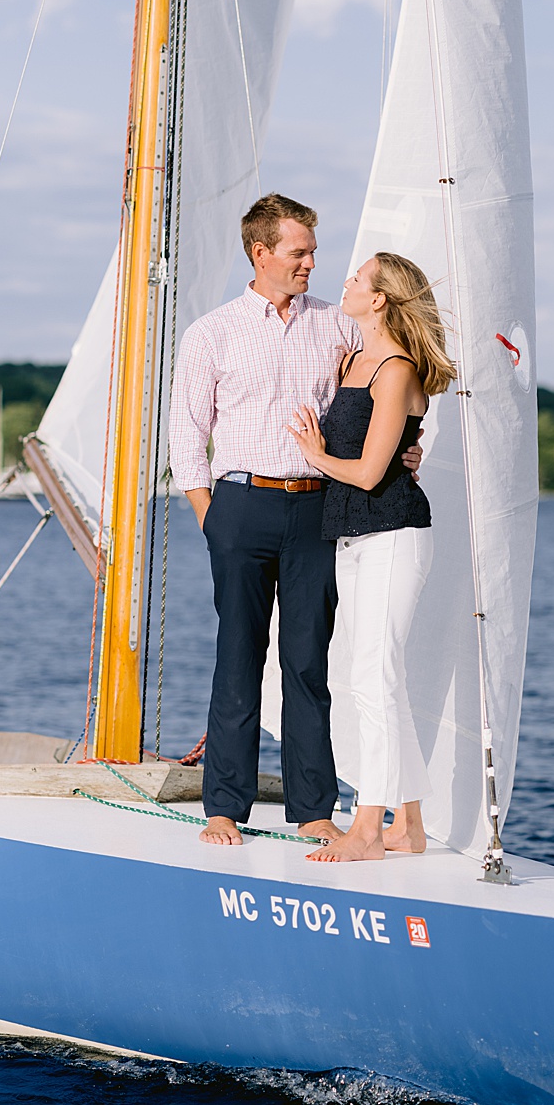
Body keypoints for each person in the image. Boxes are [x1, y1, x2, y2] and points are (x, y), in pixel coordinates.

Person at [169, 195, 420, 846]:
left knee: (310, 664)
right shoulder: (212, 332)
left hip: (317, 509)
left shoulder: (336, 326)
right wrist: (212, 519)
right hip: (240, 507)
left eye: (313, 250)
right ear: (262, 253)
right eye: (299, 251)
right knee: (238, 659)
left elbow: (389, 378)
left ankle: (314, 810)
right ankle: (224, 808)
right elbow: (185, 439)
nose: (312, 262)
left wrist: (406, 442)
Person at [289, 252, 455, 862]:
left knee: (372, 680)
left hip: (393, 535)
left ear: (380, 297)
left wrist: (314, 453)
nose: (347, 281)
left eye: (358, 278)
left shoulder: (394, 368)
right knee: (378, 683)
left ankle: (366, 828)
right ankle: (408, 825)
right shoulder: (353, 358)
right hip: (353, 539)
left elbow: (366, 472)